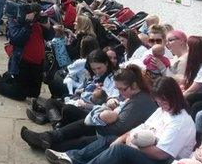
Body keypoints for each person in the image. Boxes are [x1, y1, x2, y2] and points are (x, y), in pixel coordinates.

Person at [49, 76, 196, 164]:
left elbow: (161, 154)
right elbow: (140, 128)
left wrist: (131, 144)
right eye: (159, 101)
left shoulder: (181, 122)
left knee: (120, 151)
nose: (162, 104)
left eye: (164, 100)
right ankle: (72, 157)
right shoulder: (162, 110)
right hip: (149, 153)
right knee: (112, 140)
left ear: (175, 96)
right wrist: (122, 138)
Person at [24, 65, 156, 154]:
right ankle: (46, 137)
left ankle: (45, 143)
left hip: (116, 137)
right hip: (108, 127)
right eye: (119, 89)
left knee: (82, 137)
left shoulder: (140, 101)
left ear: (133, 85)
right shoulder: (135, 96)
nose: (121, 93)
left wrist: (98, 119)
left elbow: (119, 127)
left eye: (123, 89)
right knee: (81, 123)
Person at [182, 36, 202, 116]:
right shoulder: (198, 65)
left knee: (192, 101)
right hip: (199, 96)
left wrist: (179, 98)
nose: (187, 50)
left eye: (188, 47)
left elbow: (194, 89)